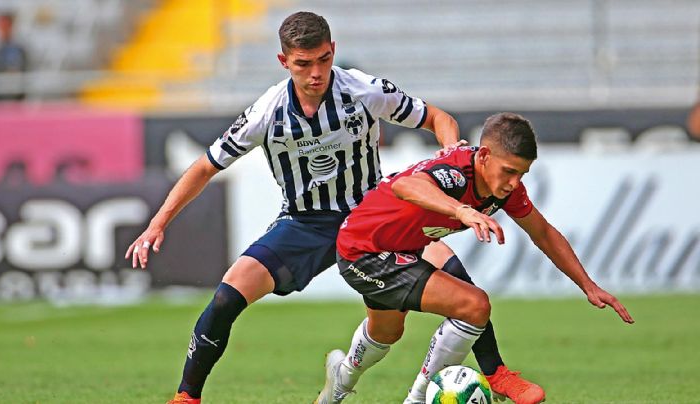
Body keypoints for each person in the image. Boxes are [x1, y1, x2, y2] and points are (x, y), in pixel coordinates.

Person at [125, 11, 467, 404]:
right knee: (226, 297)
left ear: (333, 51)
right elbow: (205, 166)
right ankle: (186, 397)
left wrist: (450, 158)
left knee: (443, 290)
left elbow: (437, 118)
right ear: (284, 61)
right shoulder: (268, 111)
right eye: (303, 64)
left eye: (323, 60)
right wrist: (158, 223)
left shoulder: (363, 90)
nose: (316, 73)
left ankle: (498, 373)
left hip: (373, 215)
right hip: (305, 223)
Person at [315, 112, 634, 404]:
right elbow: (406, 185)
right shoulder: (456, 174)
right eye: (509, 171)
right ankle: (466, 384)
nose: (513, 183)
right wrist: (461, 210)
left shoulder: (506, 188)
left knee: (386, 332)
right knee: (473, 304)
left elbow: (544, 233)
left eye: (521, 174)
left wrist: (587, 284)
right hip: (366, 251)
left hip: (408, 245)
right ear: (483, 156)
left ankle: (339, 380)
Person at [0, 11, 28, 102]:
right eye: (0, 25)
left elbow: (14, 72)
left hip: (12, 99)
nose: (1, 28)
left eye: (4, 25)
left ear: (11, 26)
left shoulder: (16, 48)